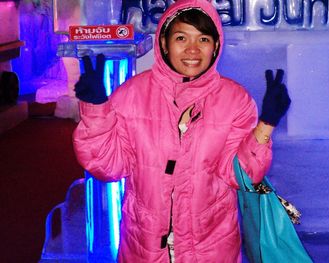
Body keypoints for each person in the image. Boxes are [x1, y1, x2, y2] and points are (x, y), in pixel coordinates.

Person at [73, 0, 291, 262]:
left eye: (203, 39)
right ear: (164, 43)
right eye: (181, 37)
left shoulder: (235, 100)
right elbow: (108, 167)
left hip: (212, 247)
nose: (192, 49)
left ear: (215, 46)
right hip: (145, 246)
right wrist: (96, 111)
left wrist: (266, 124)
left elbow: (240, 176)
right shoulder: (131, 95)